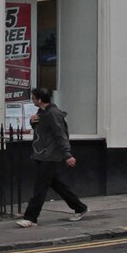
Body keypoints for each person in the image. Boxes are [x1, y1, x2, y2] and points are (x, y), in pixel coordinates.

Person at [18, 86, 88, 226]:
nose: (32, 100)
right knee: (56, 184)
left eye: (33, 98)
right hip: (41, 154)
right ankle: (80, 208)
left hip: (50, 156)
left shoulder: (53, 113)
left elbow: (61, 135)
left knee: (40, 188)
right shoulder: (42, 112)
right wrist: (32, 123)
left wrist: (67, 155)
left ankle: (31, 218)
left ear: (40, 99)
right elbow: (43, 132)